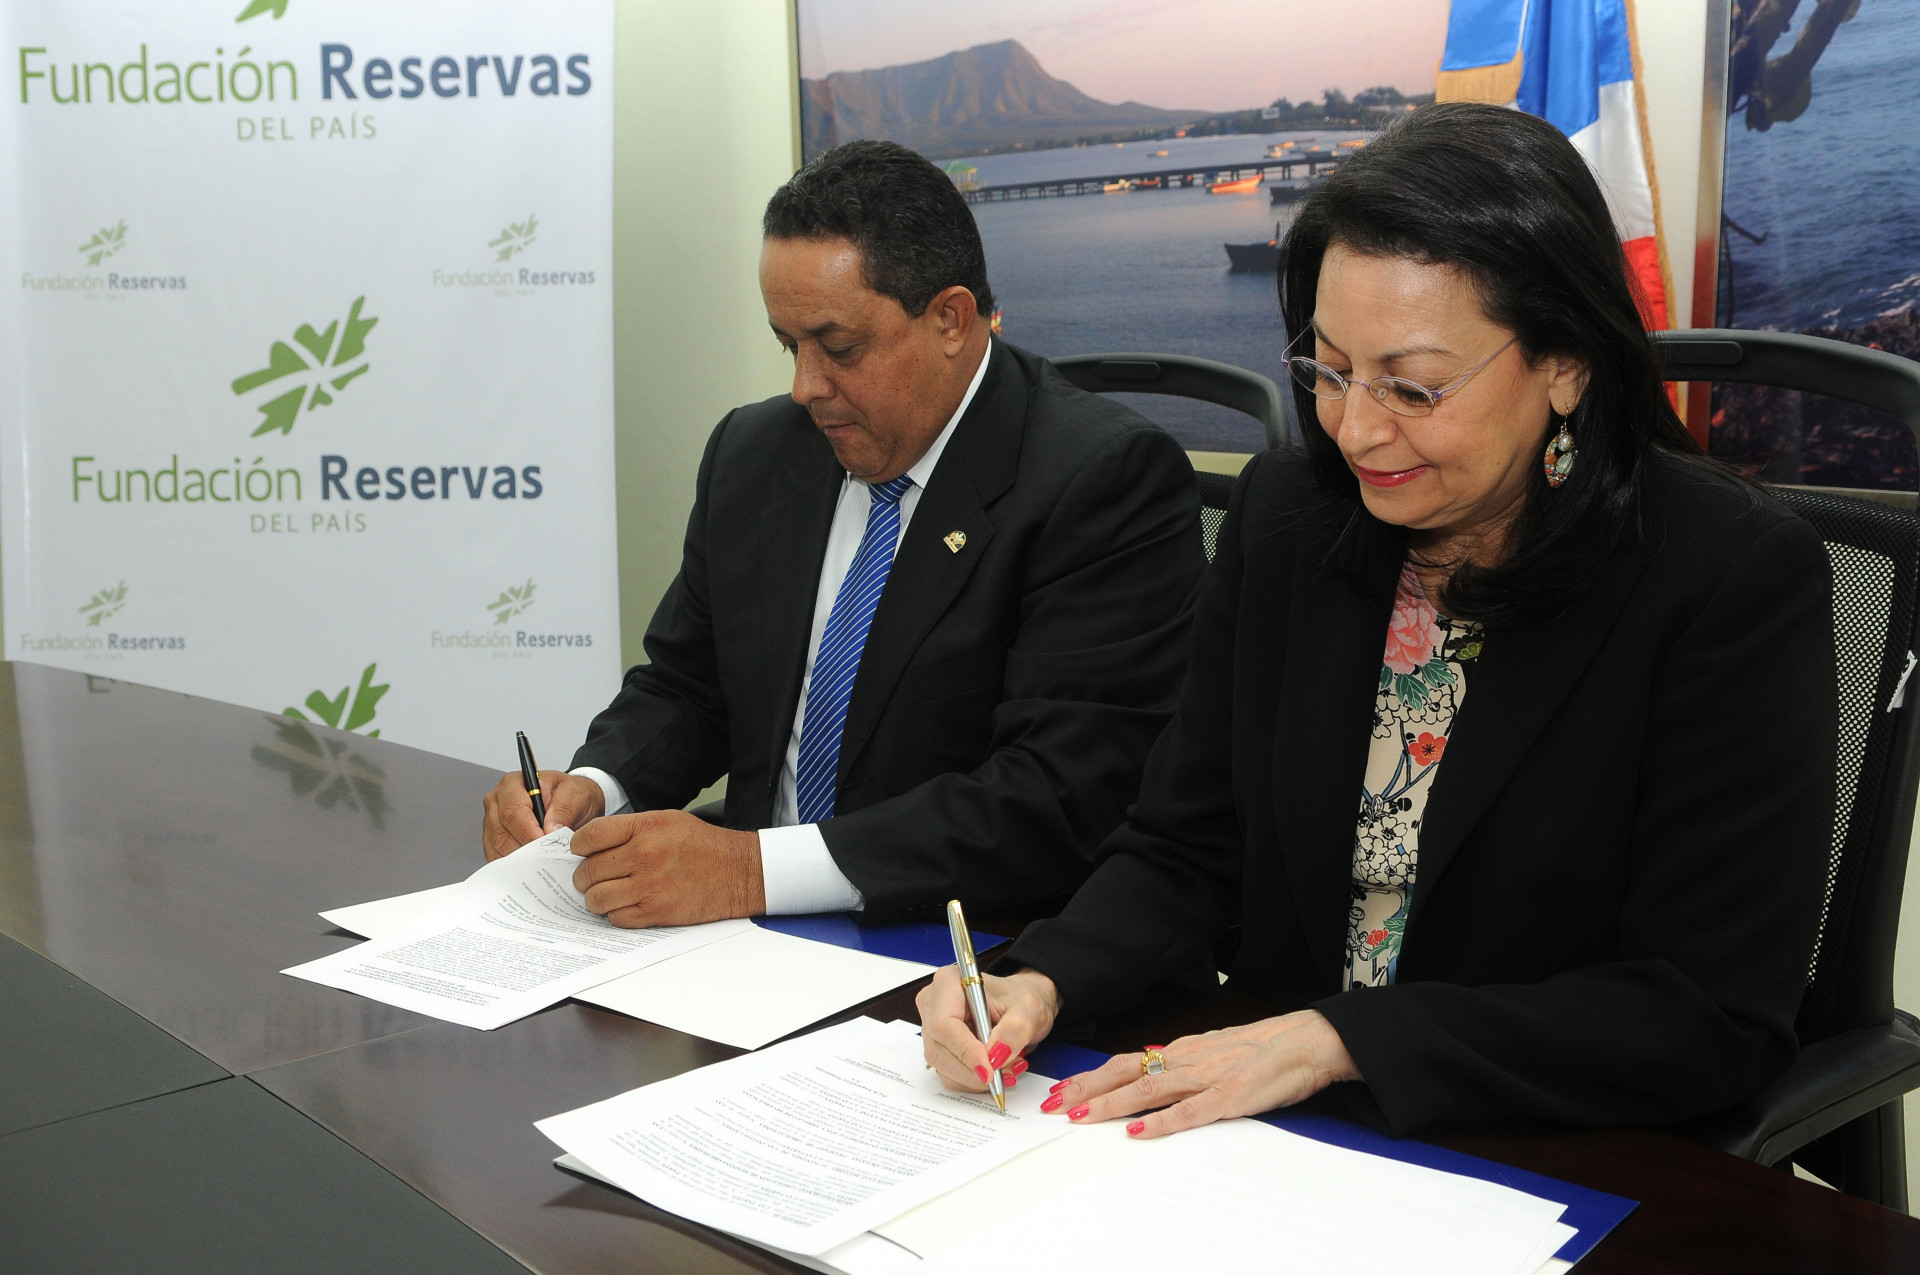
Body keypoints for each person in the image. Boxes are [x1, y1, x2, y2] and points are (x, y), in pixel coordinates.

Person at [919, 102, 1839, 1138]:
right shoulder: (1289, 519)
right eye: (1330, 371)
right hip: (1281, 1135)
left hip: (1553, 1146)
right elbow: (1187, 845)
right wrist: (1040, 977)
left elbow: (1705, 1011)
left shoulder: (1727, 578)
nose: (1356, 431)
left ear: (1566, 363)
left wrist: (1336, 1040)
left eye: (1412, 387)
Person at [482, 140, 1205, 927]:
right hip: (738, 942)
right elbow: (689, 685)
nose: (805, 387)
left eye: (840, 349)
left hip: (972, 949)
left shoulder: (1101, 480)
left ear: (951, 319)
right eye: (787, 346)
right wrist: (594, 788)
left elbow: (1055, 797)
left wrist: (751, 871)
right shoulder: (755, 453)